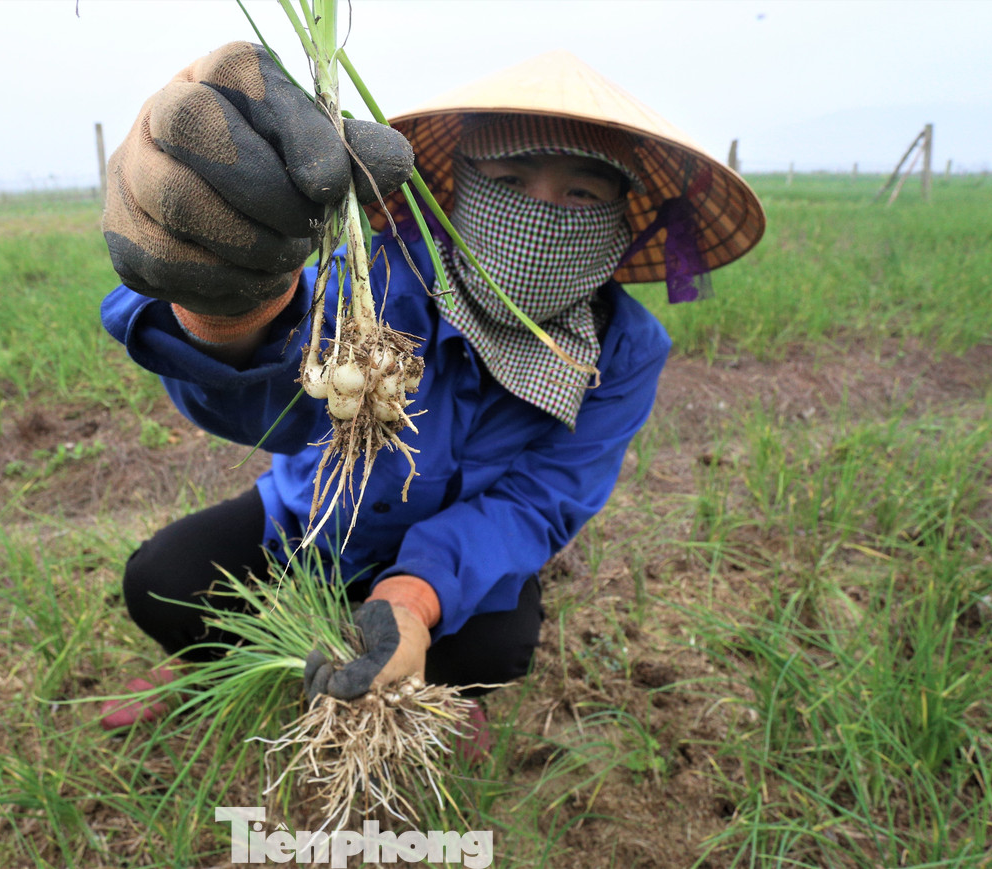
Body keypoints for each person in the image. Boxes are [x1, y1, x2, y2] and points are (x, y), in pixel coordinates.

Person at [95, 42, 765, 746]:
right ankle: (213, 671)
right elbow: (275, 399)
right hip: (314, 519)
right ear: (464, 188)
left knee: (496, 646)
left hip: (457, 554)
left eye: (583, 194)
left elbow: (539, 502)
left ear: (623, 220)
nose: (542, 212)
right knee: (160, 580)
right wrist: (228, 313)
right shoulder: (381, 274)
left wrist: (412, 599)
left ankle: (428, 690)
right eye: (510, 177)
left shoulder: (623, 347)